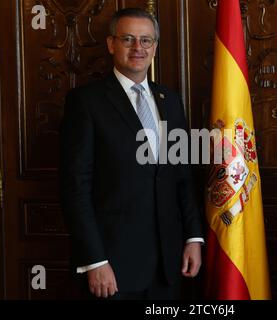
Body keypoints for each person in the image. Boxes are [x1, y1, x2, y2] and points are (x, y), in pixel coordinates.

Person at [59, 8, 204, 300]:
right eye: (128, 39)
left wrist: (193, 237)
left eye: (146, 40)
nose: (138, 48)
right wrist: (95, 260)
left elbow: (182, 177)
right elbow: (75, 186)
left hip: (168, 264)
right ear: (112, 44)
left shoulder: (171, 100)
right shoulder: (86, 102)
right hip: (112, 267)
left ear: (155, 47)